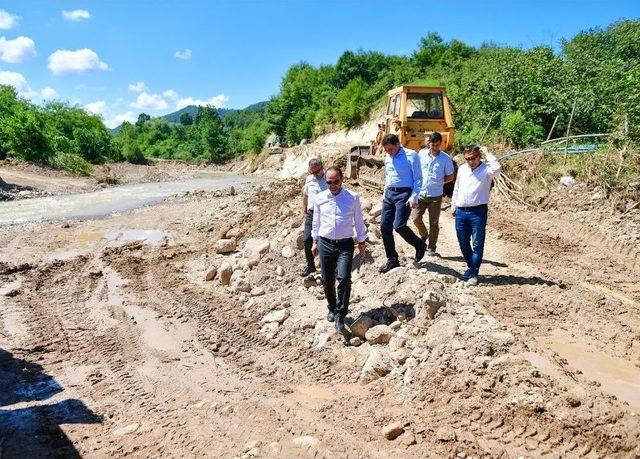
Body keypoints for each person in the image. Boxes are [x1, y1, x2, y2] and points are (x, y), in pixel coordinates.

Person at [311, 166, 367, 331]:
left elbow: (359, 221)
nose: (333, 185)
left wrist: (362, 243)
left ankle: (341, 314)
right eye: (329, 182)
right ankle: (331, 307)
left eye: (336, 181)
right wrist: (315, 241)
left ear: (342, 180)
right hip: (325, 243)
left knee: (343, 278)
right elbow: (316, 222)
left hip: (345, 244)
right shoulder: (320, 198)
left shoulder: (352, 198)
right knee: (327, 280)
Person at [451, 145, 501, 285]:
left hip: (478, 212)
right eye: (468, 159)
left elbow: (497, 168)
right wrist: (454, 205)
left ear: (479, 157)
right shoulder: (462, 169)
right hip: (461, 211)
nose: (470, 161)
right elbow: (457, 187)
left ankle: (473, 272)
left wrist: (487, 153)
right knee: (463, 242)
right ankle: (471, 267)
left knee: (477, 243)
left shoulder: (486, 169)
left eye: (473, 158)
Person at [378, 133, 426, 274]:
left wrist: (414, 196)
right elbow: (388, 175)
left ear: (398, 144)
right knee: (384, 227)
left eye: (391, 149)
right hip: (389, 194)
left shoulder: (411, 155)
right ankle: (392, 259)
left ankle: (419, 245)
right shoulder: (388, 155)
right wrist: (384, 193)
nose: (389, 152)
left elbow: (418, 178)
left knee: (398, 226)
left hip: (404, 194)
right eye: (386, 150)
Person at [412, 132, 455, 256]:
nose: (434, 148)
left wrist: (440, 182)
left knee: (434, 223)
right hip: (421, 193)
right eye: (432, 145)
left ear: (440, 144)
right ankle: (424, 234)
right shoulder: (421, 155)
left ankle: (431, 247)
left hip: (435, 195)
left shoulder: (446, 159)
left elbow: (451, 176)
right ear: (428, 144)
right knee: (415, 218)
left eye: (437, 145)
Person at [300, 158, 327, 277]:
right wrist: (304, 211)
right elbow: (305, 195)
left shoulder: (329, 179)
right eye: (313, 172)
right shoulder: (309, 179)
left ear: (322, 168)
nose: (315, 174)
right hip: (311, 213)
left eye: (317, 171)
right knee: (307, 240)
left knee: (323, 240)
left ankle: (327, 267)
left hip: (325, 213)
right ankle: (311, 266)